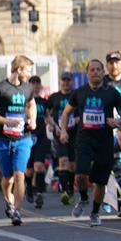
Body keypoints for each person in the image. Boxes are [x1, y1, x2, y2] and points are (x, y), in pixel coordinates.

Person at [59, 59, 121, 226]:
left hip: (104, 141)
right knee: (80, 175)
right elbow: (66, 113)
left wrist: (117, 121)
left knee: (100, 182)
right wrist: (63, 130)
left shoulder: (112, 93)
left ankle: (95, 212)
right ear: (87, 73)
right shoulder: (79, 92)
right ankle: (83, 198)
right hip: (85, 139)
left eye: (98, 69)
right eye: (92, 70)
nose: (95, 72)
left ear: (103, 72)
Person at [0, 55, 36, 226]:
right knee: (8, 177)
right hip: (2, 138)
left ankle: (17, 211)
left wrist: (33, 119)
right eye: (28, 70)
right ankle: (8, 199)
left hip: (23, 138)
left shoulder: (28, 88)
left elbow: (31, 105)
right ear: (19, 69)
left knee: (19, 174)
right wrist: (5, 121)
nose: (29, 74)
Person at [47, 72, 77, 205]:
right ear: (60, 82)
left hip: (74, 133)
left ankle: (71, 189)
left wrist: (78, 119)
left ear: (72, 82)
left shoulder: (76, 95)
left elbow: (83, 111)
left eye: (68, 80)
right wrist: (51, 124)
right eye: (63, 80)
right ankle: (64, 191)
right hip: (59, 134)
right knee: (63, 161)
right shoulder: (54, 97)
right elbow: (46, 113)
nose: (66, 83)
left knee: (72, 165)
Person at [25, 76, 49, 209]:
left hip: (41, 137)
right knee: (28, 171)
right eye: (32, 83)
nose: (35, 85)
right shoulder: (24, 101)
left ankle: (39, 193)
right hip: (27, 136)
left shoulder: (45, 102)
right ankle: (29, 187)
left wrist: (54, 126)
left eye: (37, 83)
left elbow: (49, 117)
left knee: (39, 166)